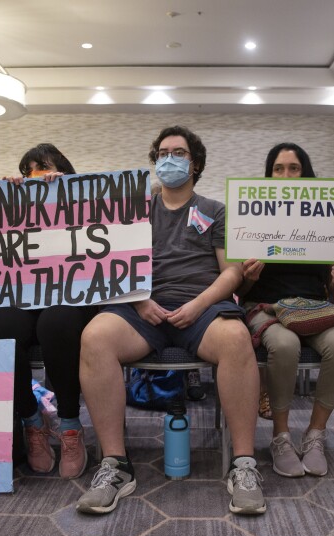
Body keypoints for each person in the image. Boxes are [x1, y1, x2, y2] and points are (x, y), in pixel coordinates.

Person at [76, 125, 265, 515]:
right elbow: (112, 264)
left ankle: (243, 465)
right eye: (162, 153)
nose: (168, 159)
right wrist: (140, 299)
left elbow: (231, 273)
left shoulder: (215, 210)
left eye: (177, 153)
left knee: (236, 339)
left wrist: (198, 305)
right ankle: (115, 465)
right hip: (141, 306)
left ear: (194, 163)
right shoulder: (132, 209)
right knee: (95, 337)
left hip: (202, 306)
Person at [0, 143, 97, 479]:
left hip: (71, 297)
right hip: (25, 295)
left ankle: (71, 425)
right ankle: (32, 420)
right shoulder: (17, 204)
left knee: (56, 324)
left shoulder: (83, 200)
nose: (35, 176)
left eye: (43, 168)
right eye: (28, 171)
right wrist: (3, 201)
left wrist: (70, 195)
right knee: (0, 325)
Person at [239, 143, 334, 478]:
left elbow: (332, 291)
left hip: (312, 306)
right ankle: (281, 435)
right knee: (285, 345)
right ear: (269, 173)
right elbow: (239, 291)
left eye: (293, 168)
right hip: (264, 306)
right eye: (278, 168)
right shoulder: (252, 217)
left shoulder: (322, 218)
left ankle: (315, 434)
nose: (286, 175)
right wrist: (248, 277)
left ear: (305, 173)